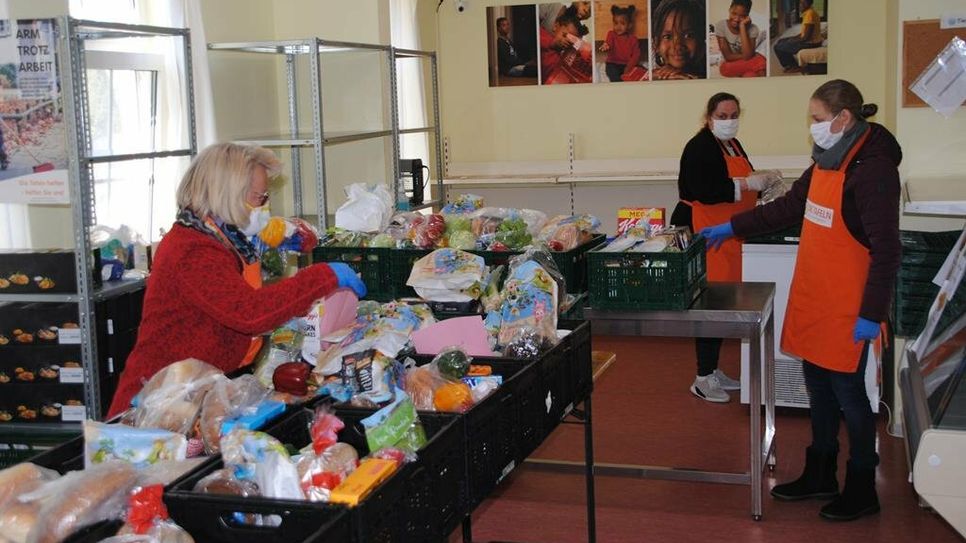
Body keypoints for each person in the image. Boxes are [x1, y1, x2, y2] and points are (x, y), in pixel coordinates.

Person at [701, 79, 902, 520]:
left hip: (850, 306)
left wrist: (872, 314)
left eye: (816, 119)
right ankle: (821, 473)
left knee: (851, 396)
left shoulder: (873, 170)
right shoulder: (827, 160)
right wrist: (731, 227)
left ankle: (863, 486)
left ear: (843, 119)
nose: (812, 127)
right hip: (816, 297)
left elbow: (887, 250)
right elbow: (790, 207)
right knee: (819, 388)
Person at [107, 143, 367, 416]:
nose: (264, 207)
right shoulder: (192, 249)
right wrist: (324, 275)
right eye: (260, 197)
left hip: (193, 392)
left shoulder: (225, 239)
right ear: (229, 195)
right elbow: (249, 313)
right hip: (156, 406)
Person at [670, 93, 780, 403]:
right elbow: (705, 190)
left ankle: (713, 369)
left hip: (729, 232)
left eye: (733, 115)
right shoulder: (699, 147)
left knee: (721, 301)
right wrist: (747, 185)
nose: (729, 121)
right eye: (722, 115)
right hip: (707, 230)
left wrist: (762, 183)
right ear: (708, 117)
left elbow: (742, 177)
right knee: (709, 303)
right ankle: (702, 378)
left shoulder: (731, 144)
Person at [651, 0, 706, 80]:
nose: (677, 45)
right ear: (656, 44)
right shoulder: (651, 76)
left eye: (688, 35)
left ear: (701, 40)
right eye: (668, 37)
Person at [715, 0, 766, 77]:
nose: (736, 19)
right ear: (729, 10)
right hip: (729, 65)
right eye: (734, 13)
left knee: (750, 75)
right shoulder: (721, 26)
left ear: (747, 16)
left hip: (745, 64)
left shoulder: (753, 29)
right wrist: (748, 55)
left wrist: (742, 27)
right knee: (761, 61)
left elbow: (748, 56)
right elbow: (728, 56)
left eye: (742, 16)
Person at [540, 10, 592, 84]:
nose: (567, 41)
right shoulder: (543, 35)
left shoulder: (562, 58)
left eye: (571, 41)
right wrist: (552, 43)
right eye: (564, 35)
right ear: (555, 26)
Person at [773, 0, 824, 73]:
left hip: (812, 43)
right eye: (800, 2)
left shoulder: (810, 14)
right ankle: (791, 64)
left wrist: (792, 41)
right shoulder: (809, 12)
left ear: (809, 3)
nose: (801, 5)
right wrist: (791, 38)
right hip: (810, 40)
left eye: (804, 3)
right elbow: (803, 33)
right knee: (781, 41)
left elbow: (806, 37)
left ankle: (794, 66)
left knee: (777, 47)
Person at [600, 5, 641, 82]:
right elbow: (608, 43)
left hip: (627, 64)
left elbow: (636, 55)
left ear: (629, 25)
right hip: (613, 63)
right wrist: (606, 46)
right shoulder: (611, 34)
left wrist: (629, 67)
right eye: (616, 23)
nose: (618, 26)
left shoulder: (633, 39)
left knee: (641, 70)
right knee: (613, 74)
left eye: (622, 23)